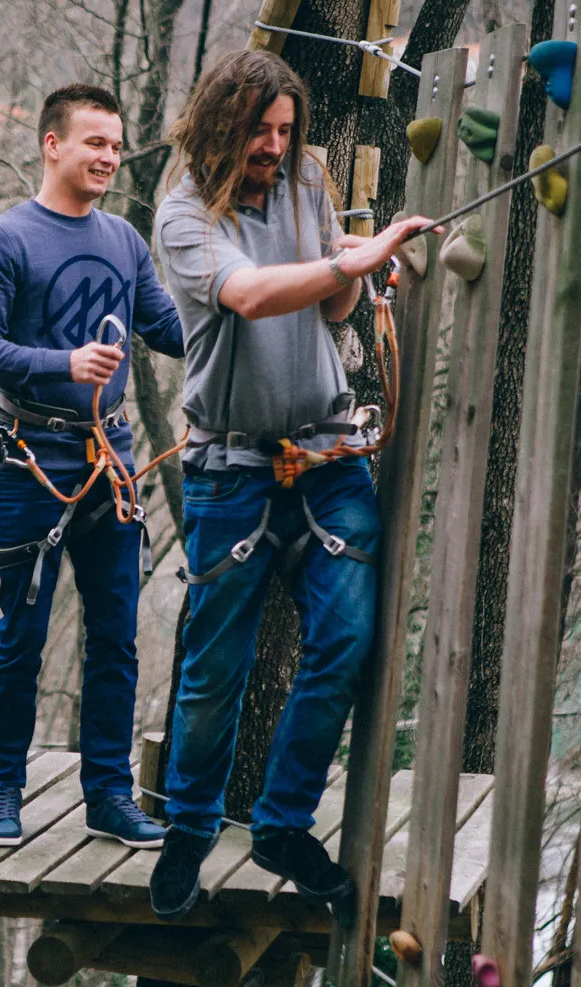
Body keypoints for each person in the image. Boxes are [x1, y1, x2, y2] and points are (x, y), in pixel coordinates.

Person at [147, 50, 436, 920]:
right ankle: (190, 829)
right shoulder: (184, 214)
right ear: (218, 127)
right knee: (214, 672)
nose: (273, 145)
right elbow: (251, 295)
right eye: (257, 130)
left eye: (283, 129)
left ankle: (280, 825)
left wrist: (354, 264)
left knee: (345, 641)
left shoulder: (308, 177)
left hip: (326, 459)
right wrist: (348, 263)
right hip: (230, 470)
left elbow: (332, 308)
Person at [0, 84, 185, 849]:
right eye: (95, 143)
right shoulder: (5, 238)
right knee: (21, 634)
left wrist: (252, 307)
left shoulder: (124, 240)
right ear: (52, 144)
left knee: (115, 638)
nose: (109, 157)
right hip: (31, 461)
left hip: (110, 460)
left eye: (115, 146)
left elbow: (169, 327)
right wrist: (65, 362)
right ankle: (1, 791)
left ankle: (109, 796)